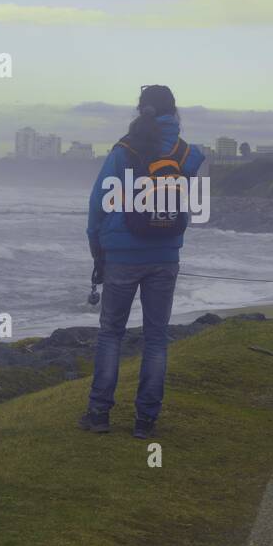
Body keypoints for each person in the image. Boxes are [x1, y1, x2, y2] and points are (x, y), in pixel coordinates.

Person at [79, 85, 205, 439]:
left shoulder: (124, 150)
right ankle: (145, 421)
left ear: (140, 110)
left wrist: (96, 246)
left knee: (111, 334)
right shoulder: (187, 154)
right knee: (156, 338)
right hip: (165, 254)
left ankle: (99, 413)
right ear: (174, 112)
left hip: (121, 254)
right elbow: (184, 201)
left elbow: (98, 201)